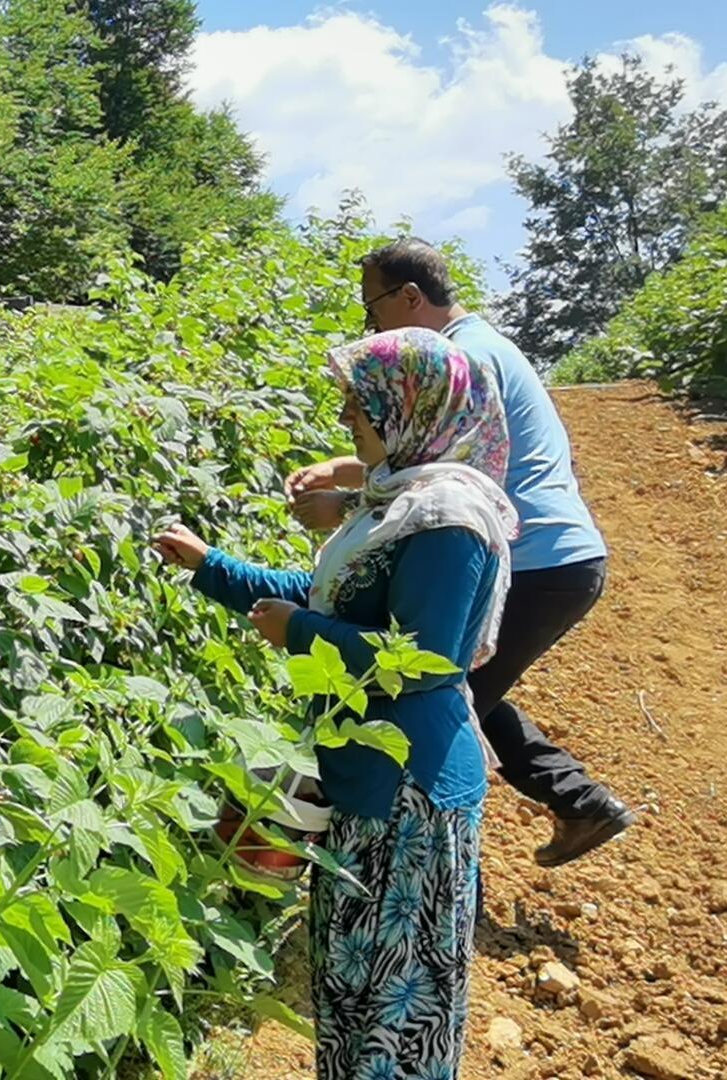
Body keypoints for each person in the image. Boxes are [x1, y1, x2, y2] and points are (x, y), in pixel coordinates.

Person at [156, 328, 515, 1080]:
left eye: (362, 401)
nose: (348, 416)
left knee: (396, 1008)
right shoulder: (399, 503)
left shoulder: (448, 519)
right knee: (351, 992)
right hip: (362, 779)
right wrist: (211, 566)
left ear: (411, 406)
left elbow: (425, 658)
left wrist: (303, 635)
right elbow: (328, 599)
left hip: (408, 793)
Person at [286, 238, 631, 868]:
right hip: (552, 553)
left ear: (410, 297)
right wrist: (343, 470)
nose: (373, 326)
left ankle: (429, 868)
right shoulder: (486, 344)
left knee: (433, 690)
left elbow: (449, 484)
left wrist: (349, 508)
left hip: (534, 556)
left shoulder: (462, 358)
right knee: (463, 683)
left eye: (374, 309)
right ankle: (576, 802)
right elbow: (422, 458)